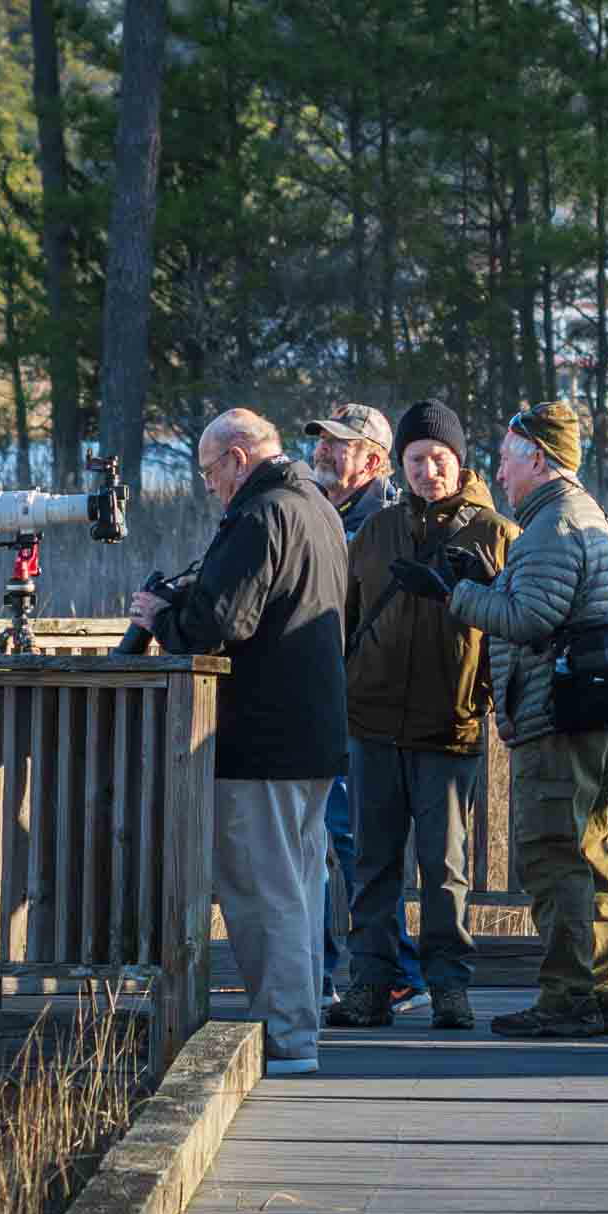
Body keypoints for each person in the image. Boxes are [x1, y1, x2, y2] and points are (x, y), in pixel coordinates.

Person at [400, 400, 608, 1039]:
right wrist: (495, 582)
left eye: (506, 459)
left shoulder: (554, 525)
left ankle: (568, 999)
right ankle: (597, 991)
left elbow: (531, 622)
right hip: (586, 713)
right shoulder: (580, 517)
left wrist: (456, 596)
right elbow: (548, 604)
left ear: (539, 457)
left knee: (555, 855)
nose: (499, 473)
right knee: (588, 852)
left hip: (557, 718)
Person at [131, 409, 350, 1076]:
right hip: (312, 735)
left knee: (264, 890)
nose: (211, 489)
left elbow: (222, 621)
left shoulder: (261, 515)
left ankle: (286, 1039)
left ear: (235, 456)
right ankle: (298, 1021)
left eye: (209, 475)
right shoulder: (318, 509)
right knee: (300, 885)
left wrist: (160, 616)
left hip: (263, 738)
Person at [329, 400, 517, 1033]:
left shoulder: (496, 534)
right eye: (416, 459)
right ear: (400, 463)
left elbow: (507, 637)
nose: (428, 469)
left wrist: (489, 703)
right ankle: (370, 986)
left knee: (445, 868)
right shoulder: (376, 532)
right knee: (372, 865)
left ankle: (449, 988)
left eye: (440, 458)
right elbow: (348, 620)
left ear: (460, 463)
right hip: (372, 722)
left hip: (448, 724)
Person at [300, 402, 424, 1016]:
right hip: (320, 700)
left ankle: (396, 973)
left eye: (338, 445)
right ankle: (321, 972)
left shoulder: (388, 523)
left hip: (362, 705)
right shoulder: (320, 512)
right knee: (319, 840)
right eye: (321, 441)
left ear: (374, 460)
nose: (323, 451)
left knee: (356, 843)